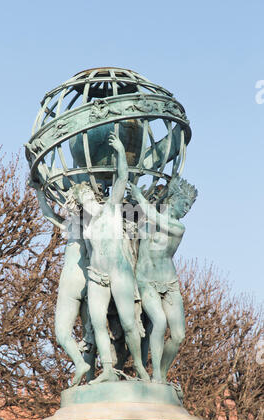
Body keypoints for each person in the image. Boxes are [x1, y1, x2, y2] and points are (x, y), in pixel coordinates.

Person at [69, 132, 150, 384]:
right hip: (97, 276)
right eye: (83, 198)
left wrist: (120, 150)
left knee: (128, 323)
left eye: (88, 196)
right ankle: (106, 369)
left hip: (120, 273)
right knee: (97, 323)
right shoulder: (85, 225)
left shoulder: (112, 207)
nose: (86, 199)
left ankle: (139, 366)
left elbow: (123, 177)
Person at [129, 176, 197, 383]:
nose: (187, 209)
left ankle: (163, 372)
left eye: (189, 206)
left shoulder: (177, 227)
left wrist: (140, 196)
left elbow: (156, 218)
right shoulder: (145, 220)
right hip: (146, 280)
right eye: (184, 203)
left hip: (169, 284)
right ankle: (157, 376)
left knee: (178, 335)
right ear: (173, 199)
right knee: (159, 322)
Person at [28, 178, 95, 386]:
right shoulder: (98, 225)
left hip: (71, 280)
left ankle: (80, 363)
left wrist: (39, 190)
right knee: (89, 334)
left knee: (62, 333)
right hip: (91, 281)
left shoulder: (73, 225)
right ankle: (92, 379)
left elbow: (48, 214)